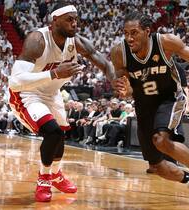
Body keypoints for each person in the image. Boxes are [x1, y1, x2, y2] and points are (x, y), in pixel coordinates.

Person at [111, 11, 189, 206]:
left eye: (134, 33)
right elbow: (123, 83)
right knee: (157, 166)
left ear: (147, 31)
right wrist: (124, 89)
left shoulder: (166, 42)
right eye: (126, 33)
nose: (129, 38)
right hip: (144, 106)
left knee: (161, 140)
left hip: (169, 99)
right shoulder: (119, 52)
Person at [8, 2, 115, 202]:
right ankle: (44, 179)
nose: (74, 24)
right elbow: (15, 81)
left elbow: (105, 63)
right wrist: (55, 72)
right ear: (55, 20)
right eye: (69, 19)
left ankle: (56, 174)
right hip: (27, 94)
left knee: (61, 136)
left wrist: (117, 80)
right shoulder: (37, 39)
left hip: (52, 93)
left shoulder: (77, 42)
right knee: (52, 131)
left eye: (76, 20)